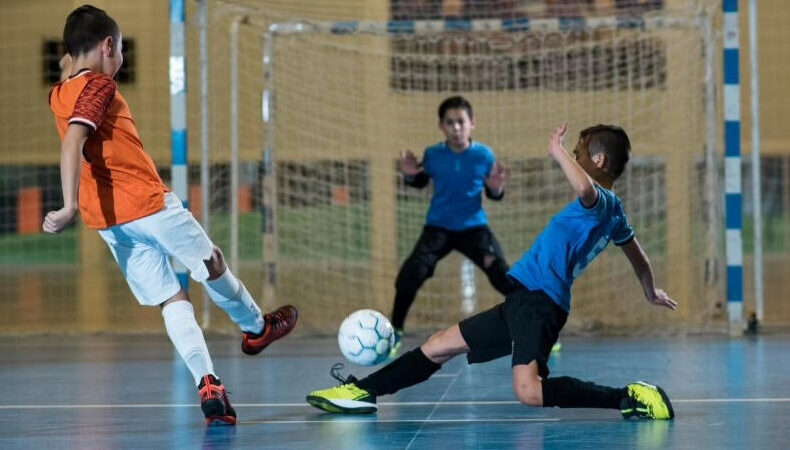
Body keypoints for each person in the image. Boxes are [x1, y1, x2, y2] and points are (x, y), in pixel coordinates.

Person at [307, 123, 677, 420]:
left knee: (528, 391)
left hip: (540, 304)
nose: (576, 157)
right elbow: (638, 255)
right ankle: (363, 392)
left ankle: (630, 398)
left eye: (580, 152)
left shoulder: (600, 202)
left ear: (597, 159)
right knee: (438, 346)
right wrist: (650, 289)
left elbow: (584, 188)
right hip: (524, 301)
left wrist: (557, 152)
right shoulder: (616, 214)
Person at [45, 5, 298, 426]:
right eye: (121, 48)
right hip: (148, 204)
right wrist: (67, 203)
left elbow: (67, 64)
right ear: (108, 46)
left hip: (110, 223)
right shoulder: (100, 87)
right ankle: (256, 328)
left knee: (171, 299)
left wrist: (79, 207)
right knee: (211, 264)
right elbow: (74, 140)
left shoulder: (58, 92)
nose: (121, 58)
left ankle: (209, 385)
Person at [390, 95, 516, 355]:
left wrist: (496, 188)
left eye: (461, 122)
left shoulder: (483, 155)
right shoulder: (433, 155)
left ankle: (537, 327)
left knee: (504, 274)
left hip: (474, 229)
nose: (456, 128)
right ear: (441, 126)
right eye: (450, 123)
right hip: (438, 228)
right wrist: (409, 174)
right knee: (409, 275)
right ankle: (395, 332)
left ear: (472, 123)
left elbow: (495, 192)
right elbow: (419, 182)